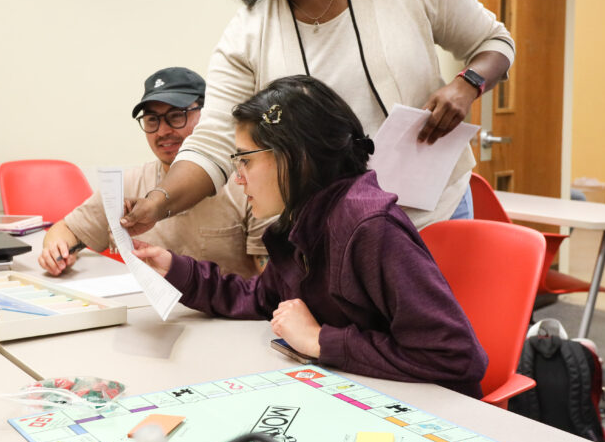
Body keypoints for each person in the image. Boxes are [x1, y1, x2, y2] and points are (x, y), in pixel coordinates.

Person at [122, 0, 514, 236]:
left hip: (438, 215)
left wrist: (467, 84)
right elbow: (212, 144)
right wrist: (158, 204)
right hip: (336, 234)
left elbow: (494, 41)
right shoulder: (247, 34)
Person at [131, 75, 488, 397]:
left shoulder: (370, 227)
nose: (238, 178)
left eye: (247, 160)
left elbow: (455, 356)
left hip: (432, 414)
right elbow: (260, 298)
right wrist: (177, 270)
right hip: (362, 393)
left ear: (295, 156)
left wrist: (320, 341)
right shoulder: (302, 219)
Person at [38, 67, 266, 279]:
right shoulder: (130, 185)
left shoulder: (246, 185)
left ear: (208, 118)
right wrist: (57, 251)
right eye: (152, 120)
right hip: (148, 316)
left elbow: (272, 281)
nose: (163, 131)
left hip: (226, 318)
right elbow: (66, 229)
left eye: (176, 116)